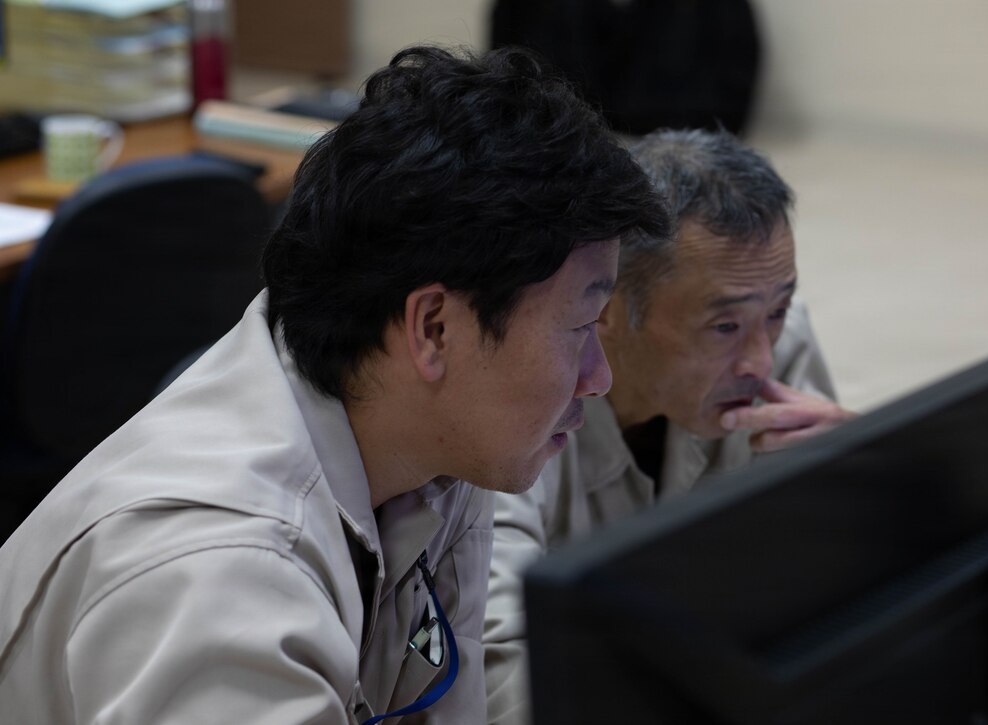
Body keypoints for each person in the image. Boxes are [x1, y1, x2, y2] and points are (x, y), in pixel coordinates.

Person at [0, 46, 669, 723]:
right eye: (582, 326)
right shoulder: (223, 581)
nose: (599, 377)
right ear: (434, 327)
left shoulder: (431, 449)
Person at [483, 127, 855, 724]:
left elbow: (833, 601)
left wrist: (866, 478)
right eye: (724, 327)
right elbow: (499, 668)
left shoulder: (780, 342)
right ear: (604, 311)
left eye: (778, 309)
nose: (761, 360)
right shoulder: (514, 407)